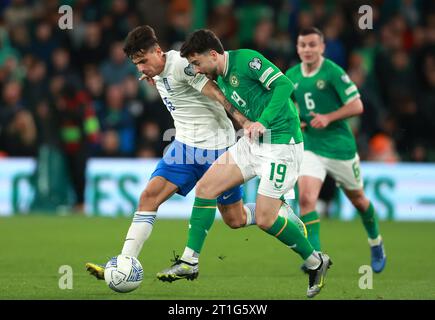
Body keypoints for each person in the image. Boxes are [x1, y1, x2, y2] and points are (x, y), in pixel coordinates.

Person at [85, 25, 293, 284]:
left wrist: (241, 119)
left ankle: (277, 211)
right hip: (183, 148)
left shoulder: (181, 66)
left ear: (158, 52)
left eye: (143, 61)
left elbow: (215, 90)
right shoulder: (157, 71)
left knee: (235, 219)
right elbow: (163, 77)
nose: (140, 68)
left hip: (217, 147)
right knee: (148, 197)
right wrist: (152, 73)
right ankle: (124, 263)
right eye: (136, 64)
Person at [162, 29, 332, 298]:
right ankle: (189, 262)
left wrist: (263, 120)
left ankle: (315, 261)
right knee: (206, 189)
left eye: (196, 63)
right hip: (252, 143)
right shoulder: (217, 75)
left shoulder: (247, 60)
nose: (195, 69)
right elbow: (184, 80)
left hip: (282, 145)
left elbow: (284, 85)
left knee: (266, 219)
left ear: (214, 54)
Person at [285, 27, 386, 273]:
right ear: (297, 48)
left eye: (312, 45)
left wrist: (329, 117)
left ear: (322, 47)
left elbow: (357, 105)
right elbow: (288, 105)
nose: (307, 49)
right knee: (307, 199)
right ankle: (317, 259)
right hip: (311, 146)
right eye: (303, 45)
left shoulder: (332, 72)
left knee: (359, 201)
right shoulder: (291, 75)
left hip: (340, 147)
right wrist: (296, 119)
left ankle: (376, 243)